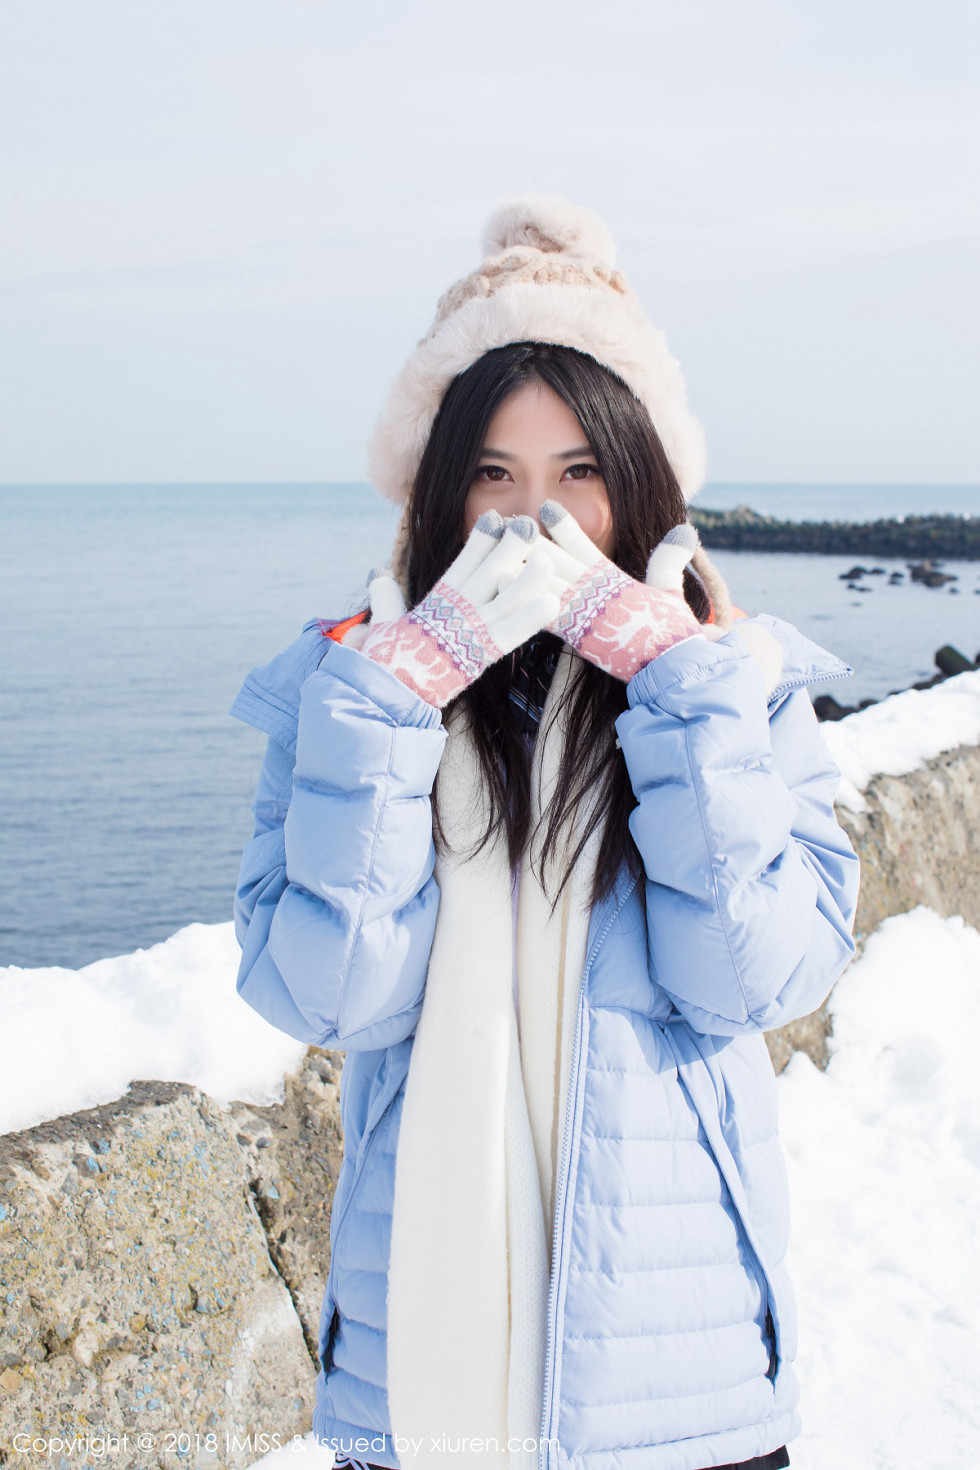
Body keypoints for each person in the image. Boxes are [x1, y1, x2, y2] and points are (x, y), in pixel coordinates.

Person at [229, 197, 860, 1470]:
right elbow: (327, 996)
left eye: (579, 473)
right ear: (435, 490)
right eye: (492, 476)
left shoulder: (735, 685)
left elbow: (754, 982)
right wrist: (397, 705)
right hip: (424, 1384)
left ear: (639, 483)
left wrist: (682, 692)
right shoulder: (346, 690)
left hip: (680, 1388)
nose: (536, 521)